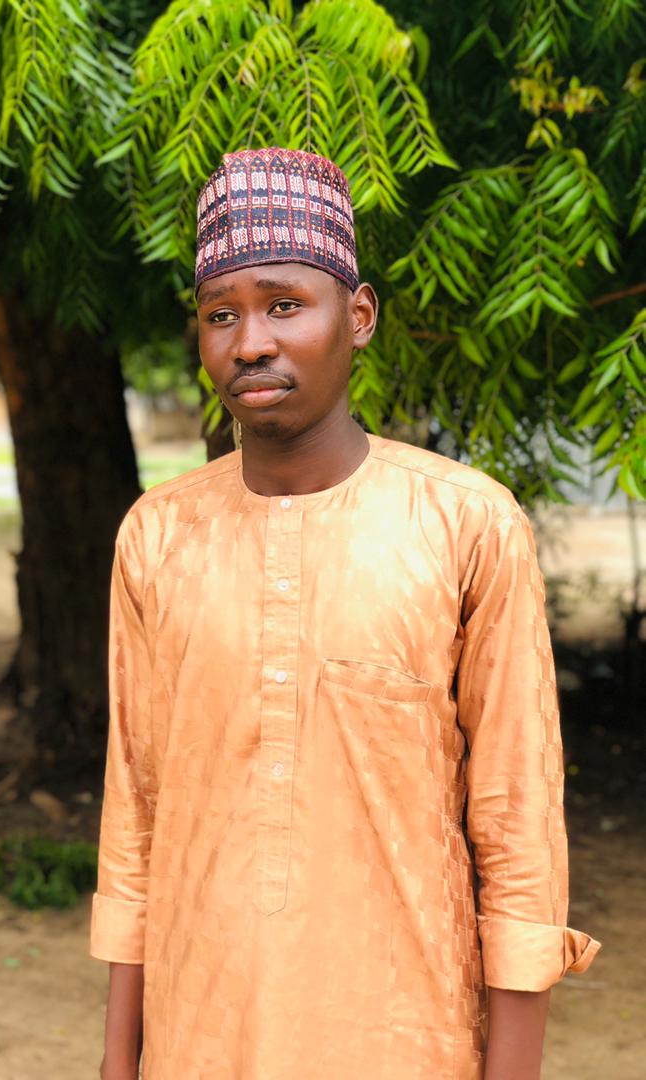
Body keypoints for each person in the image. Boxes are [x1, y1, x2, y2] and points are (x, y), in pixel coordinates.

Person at [90, 147, 600, 1079]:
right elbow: (136, 815)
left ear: (358, 316)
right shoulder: (158, 537)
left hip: (407, 1041)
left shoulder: (466, 524)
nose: (251, 342)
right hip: (200, 1038)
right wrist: (120, 1062)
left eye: (286, 304)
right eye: (221, 314)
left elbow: (518, 827)